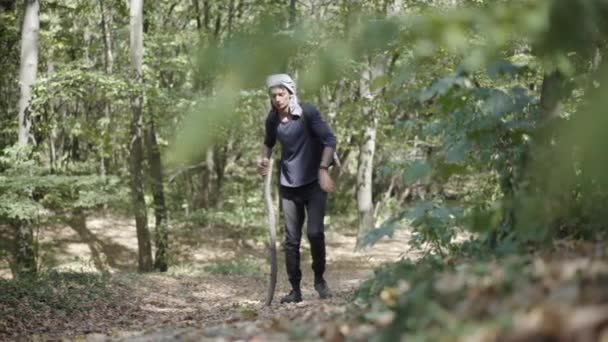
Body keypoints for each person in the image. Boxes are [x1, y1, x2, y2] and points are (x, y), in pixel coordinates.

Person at [258, 73, 337, 303]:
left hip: (314, 184)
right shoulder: (272, 119)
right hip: (288, 186)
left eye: (281, 94)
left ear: (290, 93)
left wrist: (323, 169)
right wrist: (263, 160)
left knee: (314, 233)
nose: (277, 99)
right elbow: (268, 144)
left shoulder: (307, 113)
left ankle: (320, 280)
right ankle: (295, 290)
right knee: (291, 240)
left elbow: (330, 140)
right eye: (273, 95)